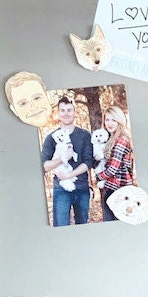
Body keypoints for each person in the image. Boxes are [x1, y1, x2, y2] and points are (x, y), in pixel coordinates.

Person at [41, 96, 94, 227]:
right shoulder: (51, 138)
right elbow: (45, 166)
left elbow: (88, 162)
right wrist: (63, 158)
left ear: (74, 112)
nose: (66, 113)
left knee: (83, 228)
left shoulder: (85, 135)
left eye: (69, 110)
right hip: (61, 190)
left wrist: (69, 175)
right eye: (63, 110)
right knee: (60, 227)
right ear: (58, 113)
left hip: (82, 188)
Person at [98, 105, 134, 222]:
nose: (110, 123)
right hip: (113, 188)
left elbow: (112, 169)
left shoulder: (121, 140)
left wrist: (97, 176)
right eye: (107, 119)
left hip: (119, 190)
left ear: (120, 121)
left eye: (114, 120)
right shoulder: (112, 138)